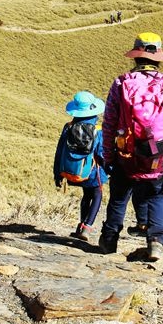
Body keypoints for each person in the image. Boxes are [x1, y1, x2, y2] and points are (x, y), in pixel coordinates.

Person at [99, 32, 163, 261]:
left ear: (136, 56)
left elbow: (109, 122)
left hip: (125, 152)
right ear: (157, 58)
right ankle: (156, 242)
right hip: (159, 152)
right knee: (157, 196)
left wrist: (108, 156)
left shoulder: (121, 83)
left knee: (119, 196)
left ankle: (109, 240)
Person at [53, 91, 109, 241]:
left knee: (86, 196)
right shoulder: (97, 130)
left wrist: (57, 173)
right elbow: (101, 153)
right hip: (93, 170)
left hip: (76, 169)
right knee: (97, 194)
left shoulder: (68, 127)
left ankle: (80, 226)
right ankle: (87, 227)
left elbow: (59, 151)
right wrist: (109, 169)